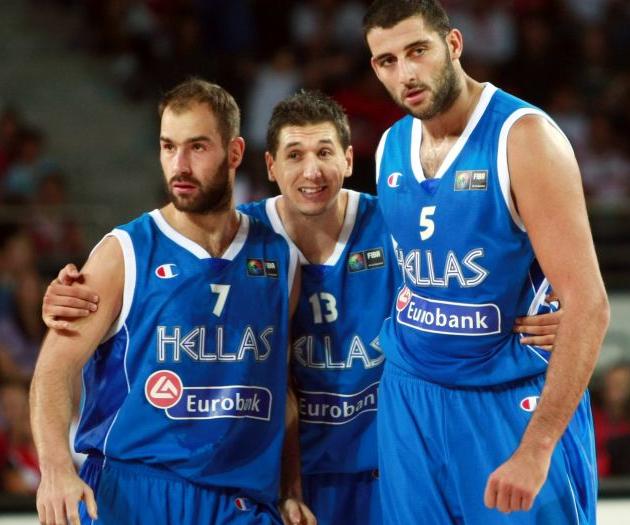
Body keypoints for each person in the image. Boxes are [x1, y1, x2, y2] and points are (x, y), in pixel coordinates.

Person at [41, 88, 563, 525]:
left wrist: (550, 304)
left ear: (349, 159)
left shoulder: (392, 223)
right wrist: (66, 296)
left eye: (323, 153)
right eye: (294, 155)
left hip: (385, 467)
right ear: (268, 165)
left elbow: (479, 262)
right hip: (249, 478)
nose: (311, 171)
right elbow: (58, 363)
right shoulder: (218, 243)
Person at [363, 1, 609, 524]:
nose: (405, 73)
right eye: (387, 61)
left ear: (453, 44)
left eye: (417, 51)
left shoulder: (524, 138)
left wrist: (537, 446)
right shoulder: (390, 145)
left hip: (507, 400)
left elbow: (589, 305)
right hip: (410, 396)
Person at [29, 78, 315, 525]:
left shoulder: (280, 258)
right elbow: (53, 370)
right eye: (168, 147)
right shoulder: (124, 252)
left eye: (197, 147)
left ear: (234, 152)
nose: (179, 165)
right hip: (135, 492)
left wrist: (290, 490)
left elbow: (282, 388)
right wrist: (55, 470)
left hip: (240, 500)